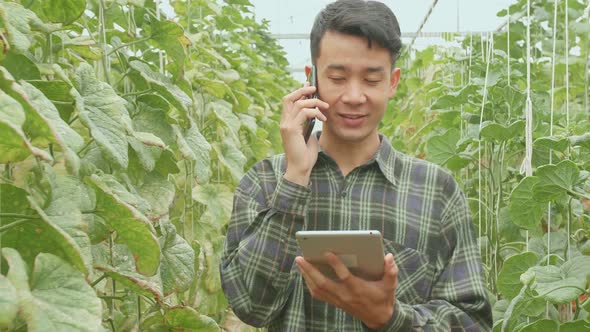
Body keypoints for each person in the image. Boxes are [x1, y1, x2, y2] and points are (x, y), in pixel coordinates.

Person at [220, 0, 493, 330]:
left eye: (371, 79)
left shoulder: (437, 191)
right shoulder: (264, 181)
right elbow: (251, 307)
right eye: (337, 77)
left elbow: (472, 320)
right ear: (312, 79)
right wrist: (294, 179)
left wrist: (390, 317)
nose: (353, 96)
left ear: (393, 82)